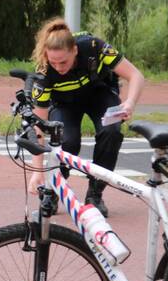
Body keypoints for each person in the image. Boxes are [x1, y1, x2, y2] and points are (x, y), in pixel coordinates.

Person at [28, 17, 145, 216]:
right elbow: (37, 126)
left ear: (74, 50)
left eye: (63, 61)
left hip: (98, 93)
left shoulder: (94, 47)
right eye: (53, 62)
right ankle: (56, 189)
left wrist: (130, 103)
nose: (59, 67)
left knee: (112, 132)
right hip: (64, 103)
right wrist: (37, 171)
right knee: (68, 141)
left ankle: (95, 194)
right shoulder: (44, 72)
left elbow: (136, 75)